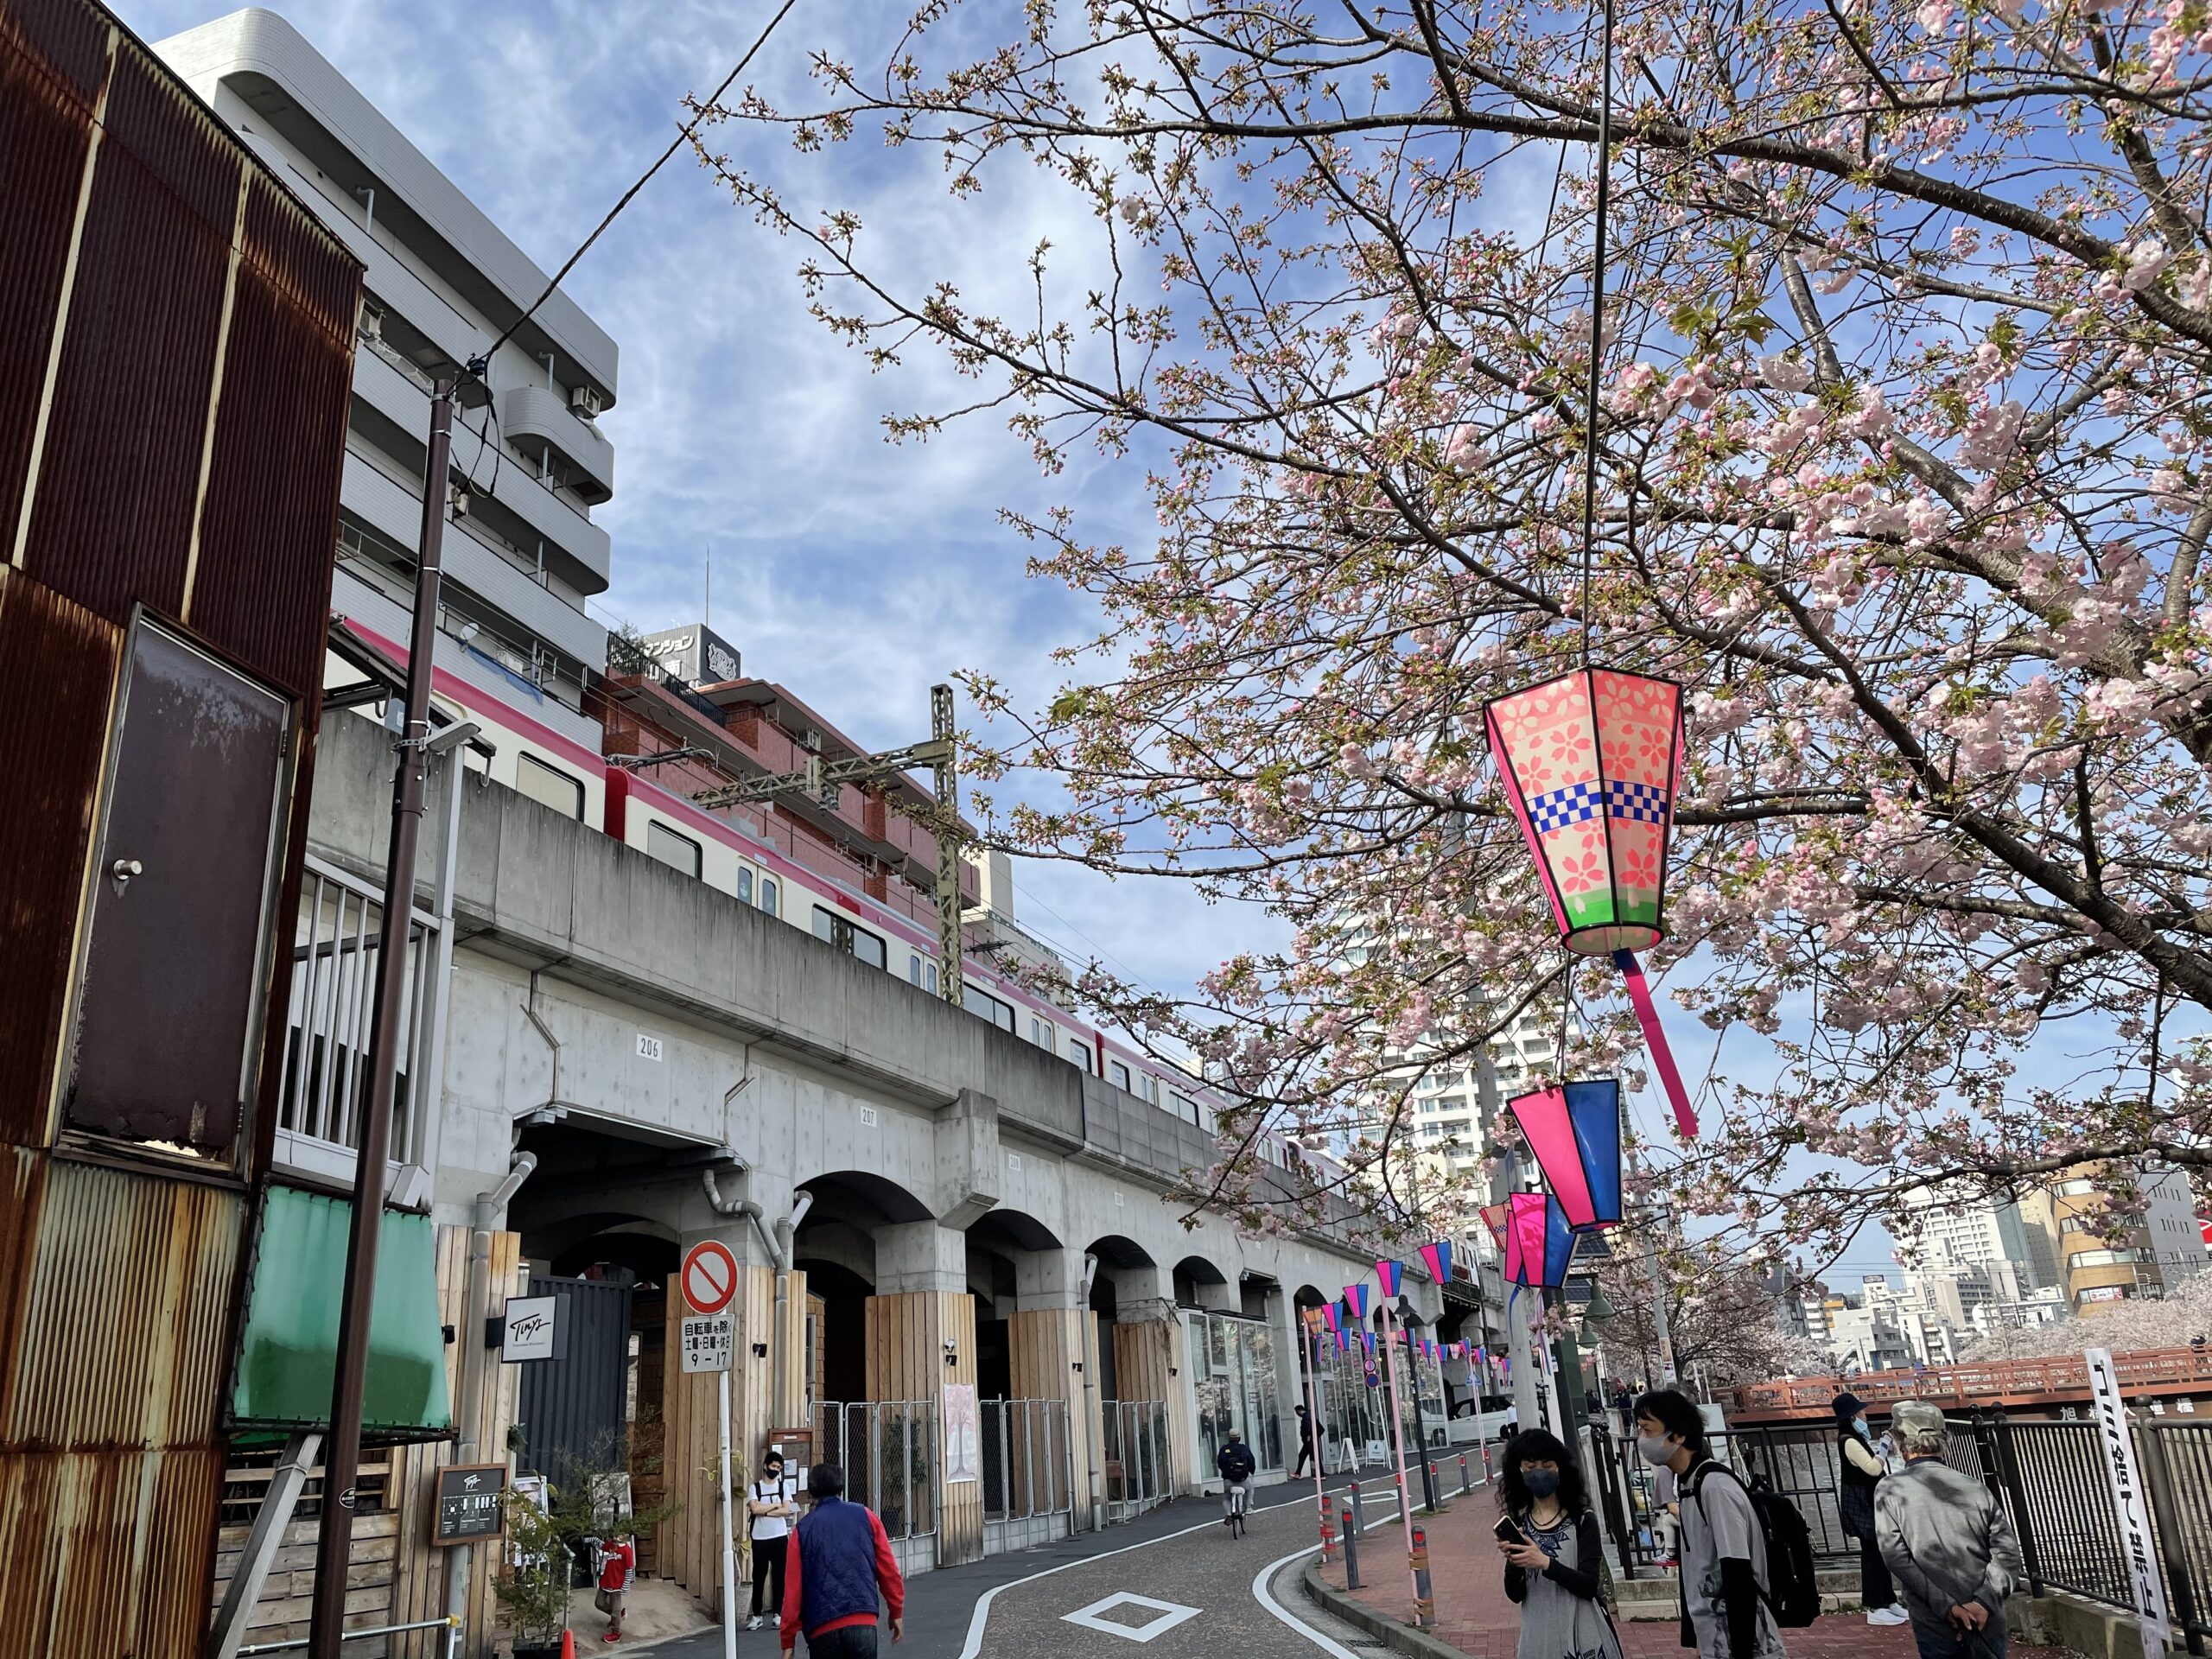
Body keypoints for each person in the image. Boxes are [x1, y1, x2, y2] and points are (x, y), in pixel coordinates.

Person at [1633, 1389, 1786, 1659]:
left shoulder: (1715, 1487)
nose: (1641, 1439)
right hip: (1716, 1638)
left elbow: (1737, 1569)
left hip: (1745, 1641)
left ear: (1677, 1436)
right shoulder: (1688, 1483)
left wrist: (1740, 1650)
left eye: (1647, 1429)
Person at [1877, 1400, 2021, 1659]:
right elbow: (2007, 1552)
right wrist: (1984, 1601)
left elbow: (1896, 1557)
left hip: (1933, 1618)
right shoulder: (1974, 1487)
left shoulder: (1889, 1490)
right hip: (1986, 1617)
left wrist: (1946, 1606)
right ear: (1945, 1439)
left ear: (1899, 1441)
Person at [1496, 1428, 1624, 1659]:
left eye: (1547, 1465)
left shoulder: (1582, 1521)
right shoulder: (1521, 1525)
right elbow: (1515, 1594)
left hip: (1583, 1637)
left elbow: (1588, 1584)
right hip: (1538, 1639)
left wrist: (1545, 1563)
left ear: (1560, 1468)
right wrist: (1513, 1563)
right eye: (1531, 1466)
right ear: (1519, 1470)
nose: (1539, 1472)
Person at [779, 1462, 905, 1657]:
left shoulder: (802, 1531)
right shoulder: (866, 1516)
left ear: (812, 1491)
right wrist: (895, 1611)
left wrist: (788, 1640)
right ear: (840, 1485)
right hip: (862, 1618)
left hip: (821, 1624)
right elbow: (889, 1570)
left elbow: (793, 1590)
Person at [1833, 1392, 1910, 1627]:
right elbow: (1872, 1469)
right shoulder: (1849, 1440)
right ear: (1852, 1416)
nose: (1864, 1415)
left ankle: (1889, 1601)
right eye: (1861, 1412)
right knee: (1872, 1555)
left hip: (1868, 1502)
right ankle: (1875, 1606)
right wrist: (1884, 1447)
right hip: (1863, 1504)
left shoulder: (1854, 1438)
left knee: (1879, 1553)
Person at [747, 1449, 799, 1631]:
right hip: (760, 1537)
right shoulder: (755, 1487)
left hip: (779, 1537)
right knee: (758, 1576)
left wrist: (766, 1510)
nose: (776, 1470)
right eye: (773, 1466)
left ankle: (778, 1614)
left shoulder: (783, 1487)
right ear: (765, 1466)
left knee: (779, 1576)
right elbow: (754, 1509)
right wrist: (777, 1505)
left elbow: (788, 1509)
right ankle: (757, 1615)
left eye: (779, 1467)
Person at [594, 1530, 636, 1645]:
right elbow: (602, 1545)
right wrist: (590, 1540)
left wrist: (625, 1586)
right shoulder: (612, 1545)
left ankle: (616, 1633)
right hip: (606, 1581)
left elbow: (629, 1569)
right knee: (599, 1603)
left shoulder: (627, 1551)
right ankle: (618, 1616)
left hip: (617, 1585)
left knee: (615, 1609)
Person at [1217, 1429, 1256, 1535]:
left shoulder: (1224, 1449)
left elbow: (1220, 1463)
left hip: (1229, 1481)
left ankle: (1229, 1513)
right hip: (1243, 1479)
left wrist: (1225, 1472)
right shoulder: (1244, 1448)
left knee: (1226, 1497)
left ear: (1229, 1438)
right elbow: (1251, 1462)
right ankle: (1248, 1507)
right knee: (1250, 1488)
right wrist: (1251, 1472)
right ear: (1239, 1438)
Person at [1293, 1403, 1316, 1479]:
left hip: (1308, 1440)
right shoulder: (1307, 1416)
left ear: (1299, 1411)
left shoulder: (1306, 1417)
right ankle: (1298, 1473)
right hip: (1308, 1440)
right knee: (1305, 1456)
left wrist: (1308, 1437)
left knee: (1311, 1456)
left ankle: (1320, 1474)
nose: (1297, 1414)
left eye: (1296, 1412)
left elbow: (1308, 1427)